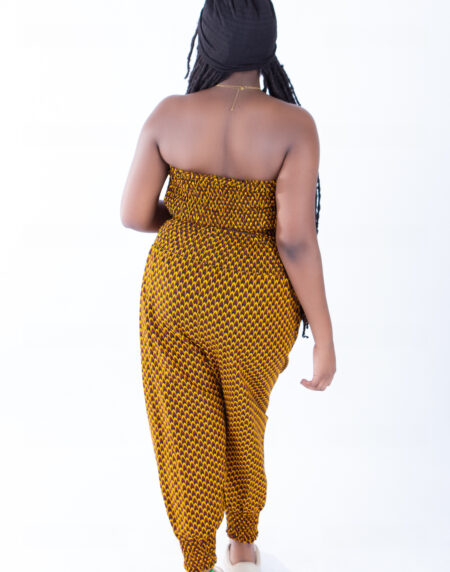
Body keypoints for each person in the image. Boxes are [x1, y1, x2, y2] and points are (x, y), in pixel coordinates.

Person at [120, 1, 336, 570]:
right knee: (245, 418)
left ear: (208, 40)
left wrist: (194, 226)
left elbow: (134, 214)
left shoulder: (169, 115)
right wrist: (324, 337)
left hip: (177, 293)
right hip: (258, 305)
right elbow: (296, 240)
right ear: (268, 43)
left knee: (185, 425)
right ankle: (242, 544)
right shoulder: (295, 126)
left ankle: (197, 558)